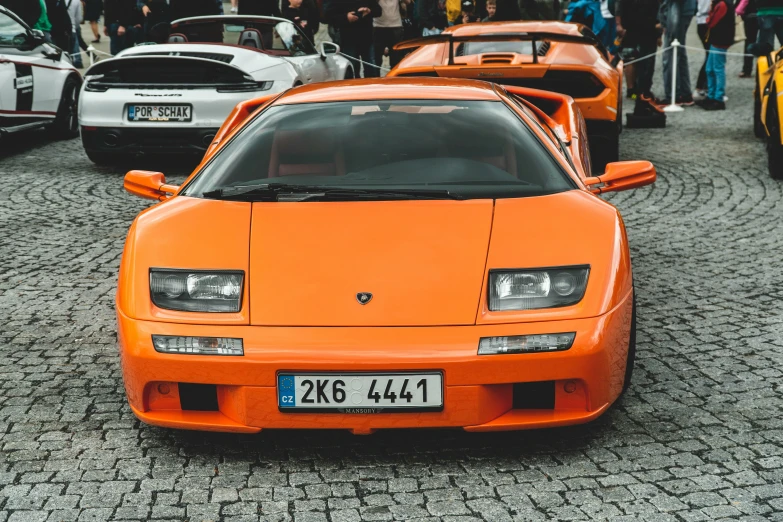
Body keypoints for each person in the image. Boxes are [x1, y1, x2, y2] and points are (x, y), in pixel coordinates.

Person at [616, 0, 665, 116]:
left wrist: (658, 32)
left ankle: (642, 95)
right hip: (634, 29)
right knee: (635, 62)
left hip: (646, 30)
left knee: (645, 65)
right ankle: (638, 94)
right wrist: (619, 24)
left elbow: (658, 10)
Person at [324, 0, 381, 77]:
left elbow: (378, 10)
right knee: (351, 71)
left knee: (371, 70)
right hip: (348, 39)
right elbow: (327, 16)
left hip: (366, 38)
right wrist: (346, 17)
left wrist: (369, 10)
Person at [659, 0, 697, 106]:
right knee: (679, 51)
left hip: (676, 10)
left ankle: (673, 95)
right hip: (682, 10)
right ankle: (684, 94)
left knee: (670, 54)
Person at [702, 0, 735, 109]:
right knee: (710, 69)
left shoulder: (722, 4)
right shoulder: (723, 4)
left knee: (717, 69)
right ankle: (712, 95)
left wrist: (710, 12)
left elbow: (711, 22)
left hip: (720, 40)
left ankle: (718, 98)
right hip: (717, 40)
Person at [373, 0, 408, 71]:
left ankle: (394, 80)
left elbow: (408, 2)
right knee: (376, 59)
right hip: (378, 26)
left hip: (395, 25)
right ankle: (375, 80)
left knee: (396, 58)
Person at [736, 0, 758, 77]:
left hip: (750, 16)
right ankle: (766, 68)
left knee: (749, 42)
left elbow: (741, 4)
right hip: (764, 14)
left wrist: (737, 10)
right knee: (765, 42)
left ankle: (747, 70)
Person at [694, 0, 711, 98]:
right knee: (710, 55)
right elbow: (706, 8)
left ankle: (704, 85)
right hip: (705, 22)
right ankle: (701, 86)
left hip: (704, 22)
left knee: (710, 55)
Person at [65, 0, 83, 67]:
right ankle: (77, 60)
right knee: (75, 44)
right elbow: (79, 18)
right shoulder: (77, 1)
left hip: (60, 27)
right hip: (72, 26)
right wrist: (75, 25)